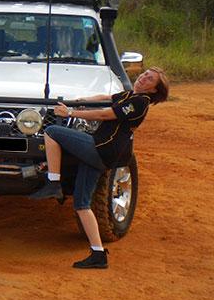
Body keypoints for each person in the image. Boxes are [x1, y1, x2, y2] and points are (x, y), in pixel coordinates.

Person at [29, 67, 170, 269]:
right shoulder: (130, 95)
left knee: (52, 132)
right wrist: (81, 100)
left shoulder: (139, 102)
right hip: (99, 155)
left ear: (154, 90)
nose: (143, 77)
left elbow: (106, 114)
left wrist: (70, 111)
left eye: (150, 79)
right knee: (82, 204)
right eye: (145, 74)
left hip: (99, 150)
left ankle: (53, 182)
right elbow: (106, 97)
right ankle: (98, 253)